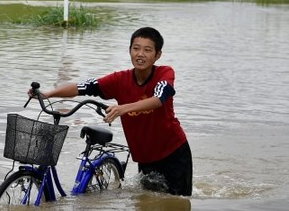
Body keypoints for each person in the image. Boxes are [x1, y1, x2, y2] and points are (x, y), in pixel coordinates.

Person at [30, 27, 192, 196]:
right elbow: (82, 87)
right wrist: (48, 93)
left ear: (157, 55)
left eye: (147, 50)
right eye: (136, 48)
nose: (140, 54)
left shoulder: (164, 73)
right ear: (130, 50)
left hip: (174, 154)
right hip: (145, 157)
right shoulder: (120, 80)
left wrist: (123, 108)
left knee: (178, 202)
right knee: (147, 203)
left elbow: (159, 99)